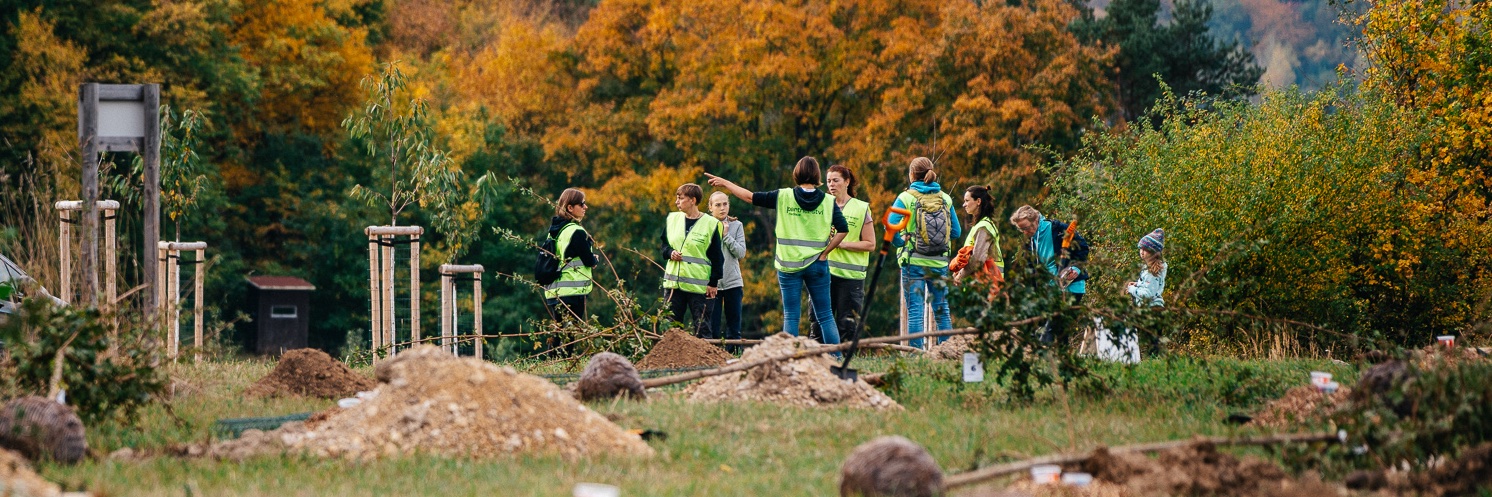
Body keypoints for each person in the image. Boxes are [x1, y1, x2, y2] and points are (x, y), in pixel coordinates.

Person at [705, 157, 849, 344]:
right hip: (817, 264)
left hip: (789, 265)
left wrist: (725, 183)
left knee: (791, 316)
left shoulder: (784, 196)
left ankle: (789, 355)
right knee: (826, 315)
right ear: (817, 175)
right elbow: (843, 229)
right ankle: (836, 356)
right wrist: (825, 253)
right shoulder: (828, 201)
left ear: (796, 174)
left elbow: (750, 197)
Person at [888, 157, 961, 349]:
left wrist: (900, 242)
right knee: (942, 310)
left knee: (915, 311)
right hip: (939, 263)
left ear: (911, 175)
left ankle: (916, 354)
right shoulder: (945, 198)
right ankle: (947, 352)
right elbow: (956, 232)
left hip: (914, 262)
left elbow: (890, 226)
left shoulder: (906, 198)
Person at [810, 164, 874, 342]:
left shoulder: (861, 208)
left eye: (835, 180)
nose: (831, 184)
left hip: (850, 277)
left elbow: (870, 244)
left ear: (847, 182)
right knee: (817, 324)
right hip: (823, 272)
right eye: (828, 181)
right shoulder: (820, 205)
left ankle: (844, 359)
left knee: (847, 326)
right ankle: (815, 358)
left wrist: (842, 244)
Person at [1009, 204, 1089, 343]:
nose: (1025, 232)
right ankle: (1060, 355)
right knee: (1059, 333)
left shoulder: (1059, 230)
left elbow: (1083, 249)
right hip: (1050, 291)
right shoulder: (1031, 242)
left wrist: (1076, 268)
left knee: (1050, 331)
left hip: (1071, 288)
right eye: (1021, 230)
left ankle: (1046, 349)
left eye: (1026, 228)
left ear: (1036, 220)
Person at [659, 183, 724, 339]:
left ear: (693, 200)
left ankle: (706, 356)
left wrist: (713, 283)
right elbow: (663, 245)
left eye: (680, 198)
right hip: (674, 285)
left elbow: (717, 257)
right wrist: (670, 253)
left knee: (702, 328)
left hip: (699, 287)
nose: (677, 202)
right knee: (671, 330)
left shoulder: (711, 224)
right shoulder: (672, 219)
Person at [544, 188, 597, 322]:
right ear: (570, 208)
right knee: (571, 333)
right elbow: (588, 260)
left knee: (560, 332)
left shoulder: (554, 232)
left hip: (553, 293)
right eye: (582, 204)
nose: (585, 207)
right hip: (572, 293)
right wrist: (594, 259)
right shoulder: (576, 231)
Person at [707, 191, 747, 353]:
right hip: (711, 284)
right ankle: (712, 360)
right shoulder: (704, 225)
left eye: (725, 204)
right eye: (718, 205)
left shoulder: (737, 225)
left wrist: (726, 236)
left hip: (733, 282)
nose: (722, 208)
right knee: (712, 328)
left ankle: (735, 359)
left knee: (734, 329)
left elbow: (741, 253)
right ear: (710, 207)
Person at [951, 185, 1004, 291]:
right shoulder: (982, 225)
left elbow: (977, 260)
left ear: (978, 201)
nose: (964, 204)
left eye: (967, 201)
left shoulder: (983, 227)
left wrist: (960, 276)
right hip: (984, 284)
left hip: (986, 285)